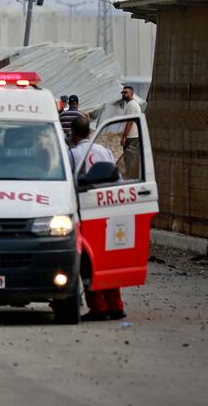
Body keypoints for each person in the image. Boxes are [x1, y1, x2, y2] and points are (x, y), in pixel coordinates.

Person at [67, 115, 127, 321]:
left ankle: (98, 308)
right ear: (89, 132)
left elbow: (69, 184)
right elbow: (117, 180)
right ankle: (116, 306)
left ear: (72, 134)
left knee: (87, 262)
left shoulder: (73, 154)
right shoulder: (105, 151)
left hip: (85, 212)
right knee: (107, 258)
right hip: (108, 209)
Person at [117, 85, 143, 179]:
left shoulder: (132, 105)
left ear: (131, 94)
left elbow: (130, 122)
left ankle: (131, 179)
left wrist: (124, 137)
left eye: (125, 92)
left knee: (129, 161)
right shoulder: (130, 104)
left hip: (131, 137)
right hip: (132, 136)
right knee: (129, 160)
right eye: (122, 93)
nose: (123, 94)